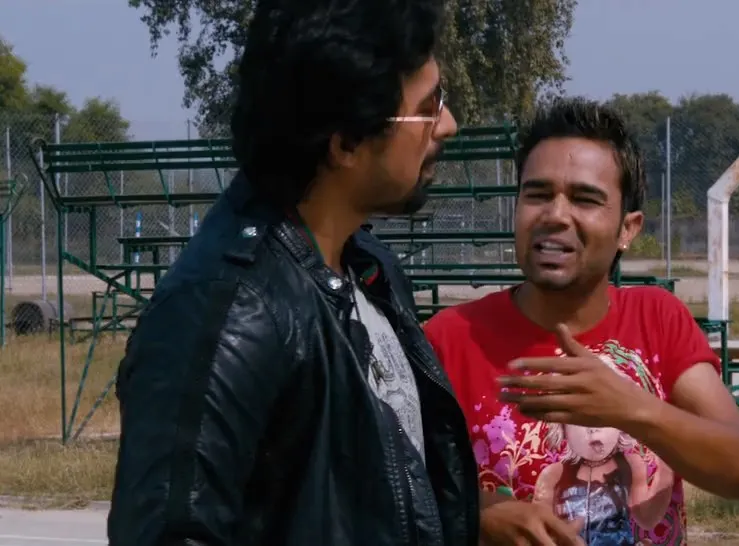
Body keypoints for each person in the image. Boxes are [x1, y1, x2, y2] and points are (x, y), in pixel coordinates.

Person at [106, 0, 479, 544]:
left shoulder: (367, 268)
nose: (448, 124)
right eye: (429, 108)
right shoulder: (225, 315)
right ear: (346, 143)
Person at [424, 99, 739, 546]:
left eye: (585, 199)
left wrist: (630, 407)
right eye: (537, 194)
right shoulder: (448, 338)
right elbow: (392, 490)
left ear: (628, 229)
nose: (555, 215)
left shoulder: (657, 318)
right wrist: (478, 514)